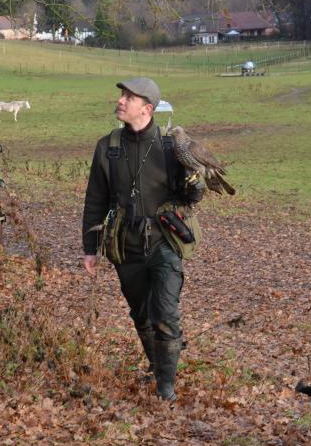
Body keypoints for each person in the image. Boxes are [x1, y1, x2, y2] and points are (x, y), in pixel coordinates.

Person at [82, 77, 205, 401]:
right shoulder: (107, 147)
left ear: (147, 109)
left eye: (129, 97)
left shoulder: (170, 147)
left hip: (166, 242)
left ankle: (166, 388)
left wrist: (196, 186)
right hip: (126, 246)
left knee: (165, 314)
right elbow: (95, 199)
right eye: (121, 95)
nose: (120, 100)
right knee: (141, 314)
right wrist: (90, 249)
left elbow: (191, 195)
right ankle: (156, 363)